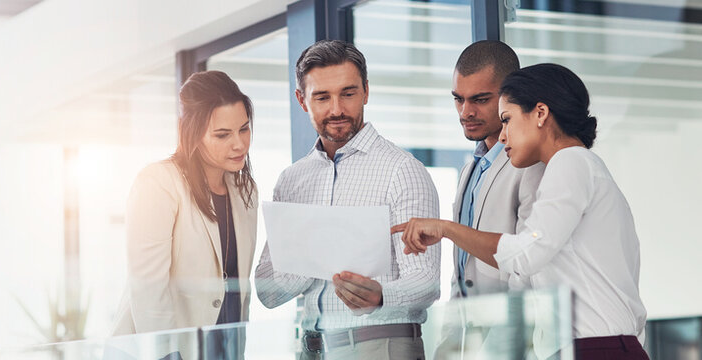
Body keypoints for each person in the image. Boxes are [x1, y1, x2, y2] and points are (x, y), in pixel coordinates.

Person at [393, 63, 648, 360]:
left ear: (540, 113)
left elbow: (526, 254)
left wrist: (448, 229)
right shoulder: (581, 169)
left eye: (507, 119)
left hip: (596, 349)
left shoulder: (571, 162)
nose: (502, 137)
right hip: (591, 348)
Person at [255, 39, 440, 360]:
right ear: (302, 100)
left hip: (380, 347)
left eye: (348, 93)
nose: (337, 109)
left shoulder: (403, 170)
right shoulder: (292, 180)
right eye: (322, 97)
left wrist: (381, 295)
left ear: (366, 91)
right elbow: (267, 292)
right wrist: (310, 257)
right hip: (310, 350)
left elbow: (427, 282)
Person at [112, 71, 258, 341]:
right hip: (164, 350)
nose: (239, 144)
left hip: (223, 346)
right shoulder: (158, 183)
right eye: (222, 135)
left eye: (244, 129)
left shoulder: (244, 190)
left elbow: (239, 284)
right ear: (192, 134)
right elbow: (149, 291)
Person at [436, 40, 546, 358]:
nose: (465, 112)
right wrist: (449, 347)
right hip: (468, 345)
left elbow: (526, 274)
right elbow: (462, 271)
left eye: (480, 100)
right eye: (458, 100)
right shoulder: (470, 169)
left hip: (510, 345)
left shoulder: (531, 166)